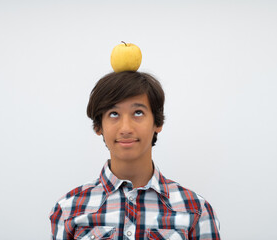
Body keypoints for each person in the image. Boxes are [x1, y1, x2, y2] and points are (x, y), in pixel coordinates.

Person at [49, 71, 221, 240]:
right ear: (98, 126)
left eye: (138, 112)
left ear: (157, 122)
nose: (126, 128)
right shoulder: (68, 209)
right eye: (113, 114)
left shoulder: (196, 210)